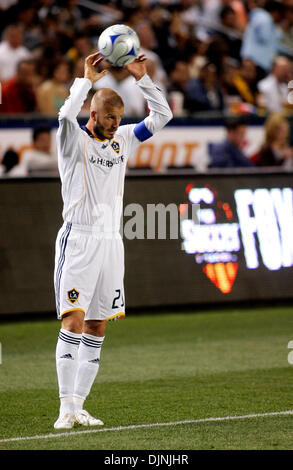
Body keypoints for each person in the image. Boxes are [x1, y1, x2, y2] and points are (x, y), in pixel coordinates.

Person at [53, 52, 172, 429]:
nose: (116, 124)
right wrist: (85, 81)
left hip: (110, 242)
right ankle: (65, 407)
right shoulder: (73, 140)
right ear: (93, 113)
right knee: (72, 320)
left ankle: (80, 406)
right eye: (109, 118)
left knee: (97, 326)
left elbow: (162, 116)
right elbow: (63, 116)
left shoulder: (123, 139)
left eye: (119, 119)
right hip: (79, 239)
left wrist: (143, 79)